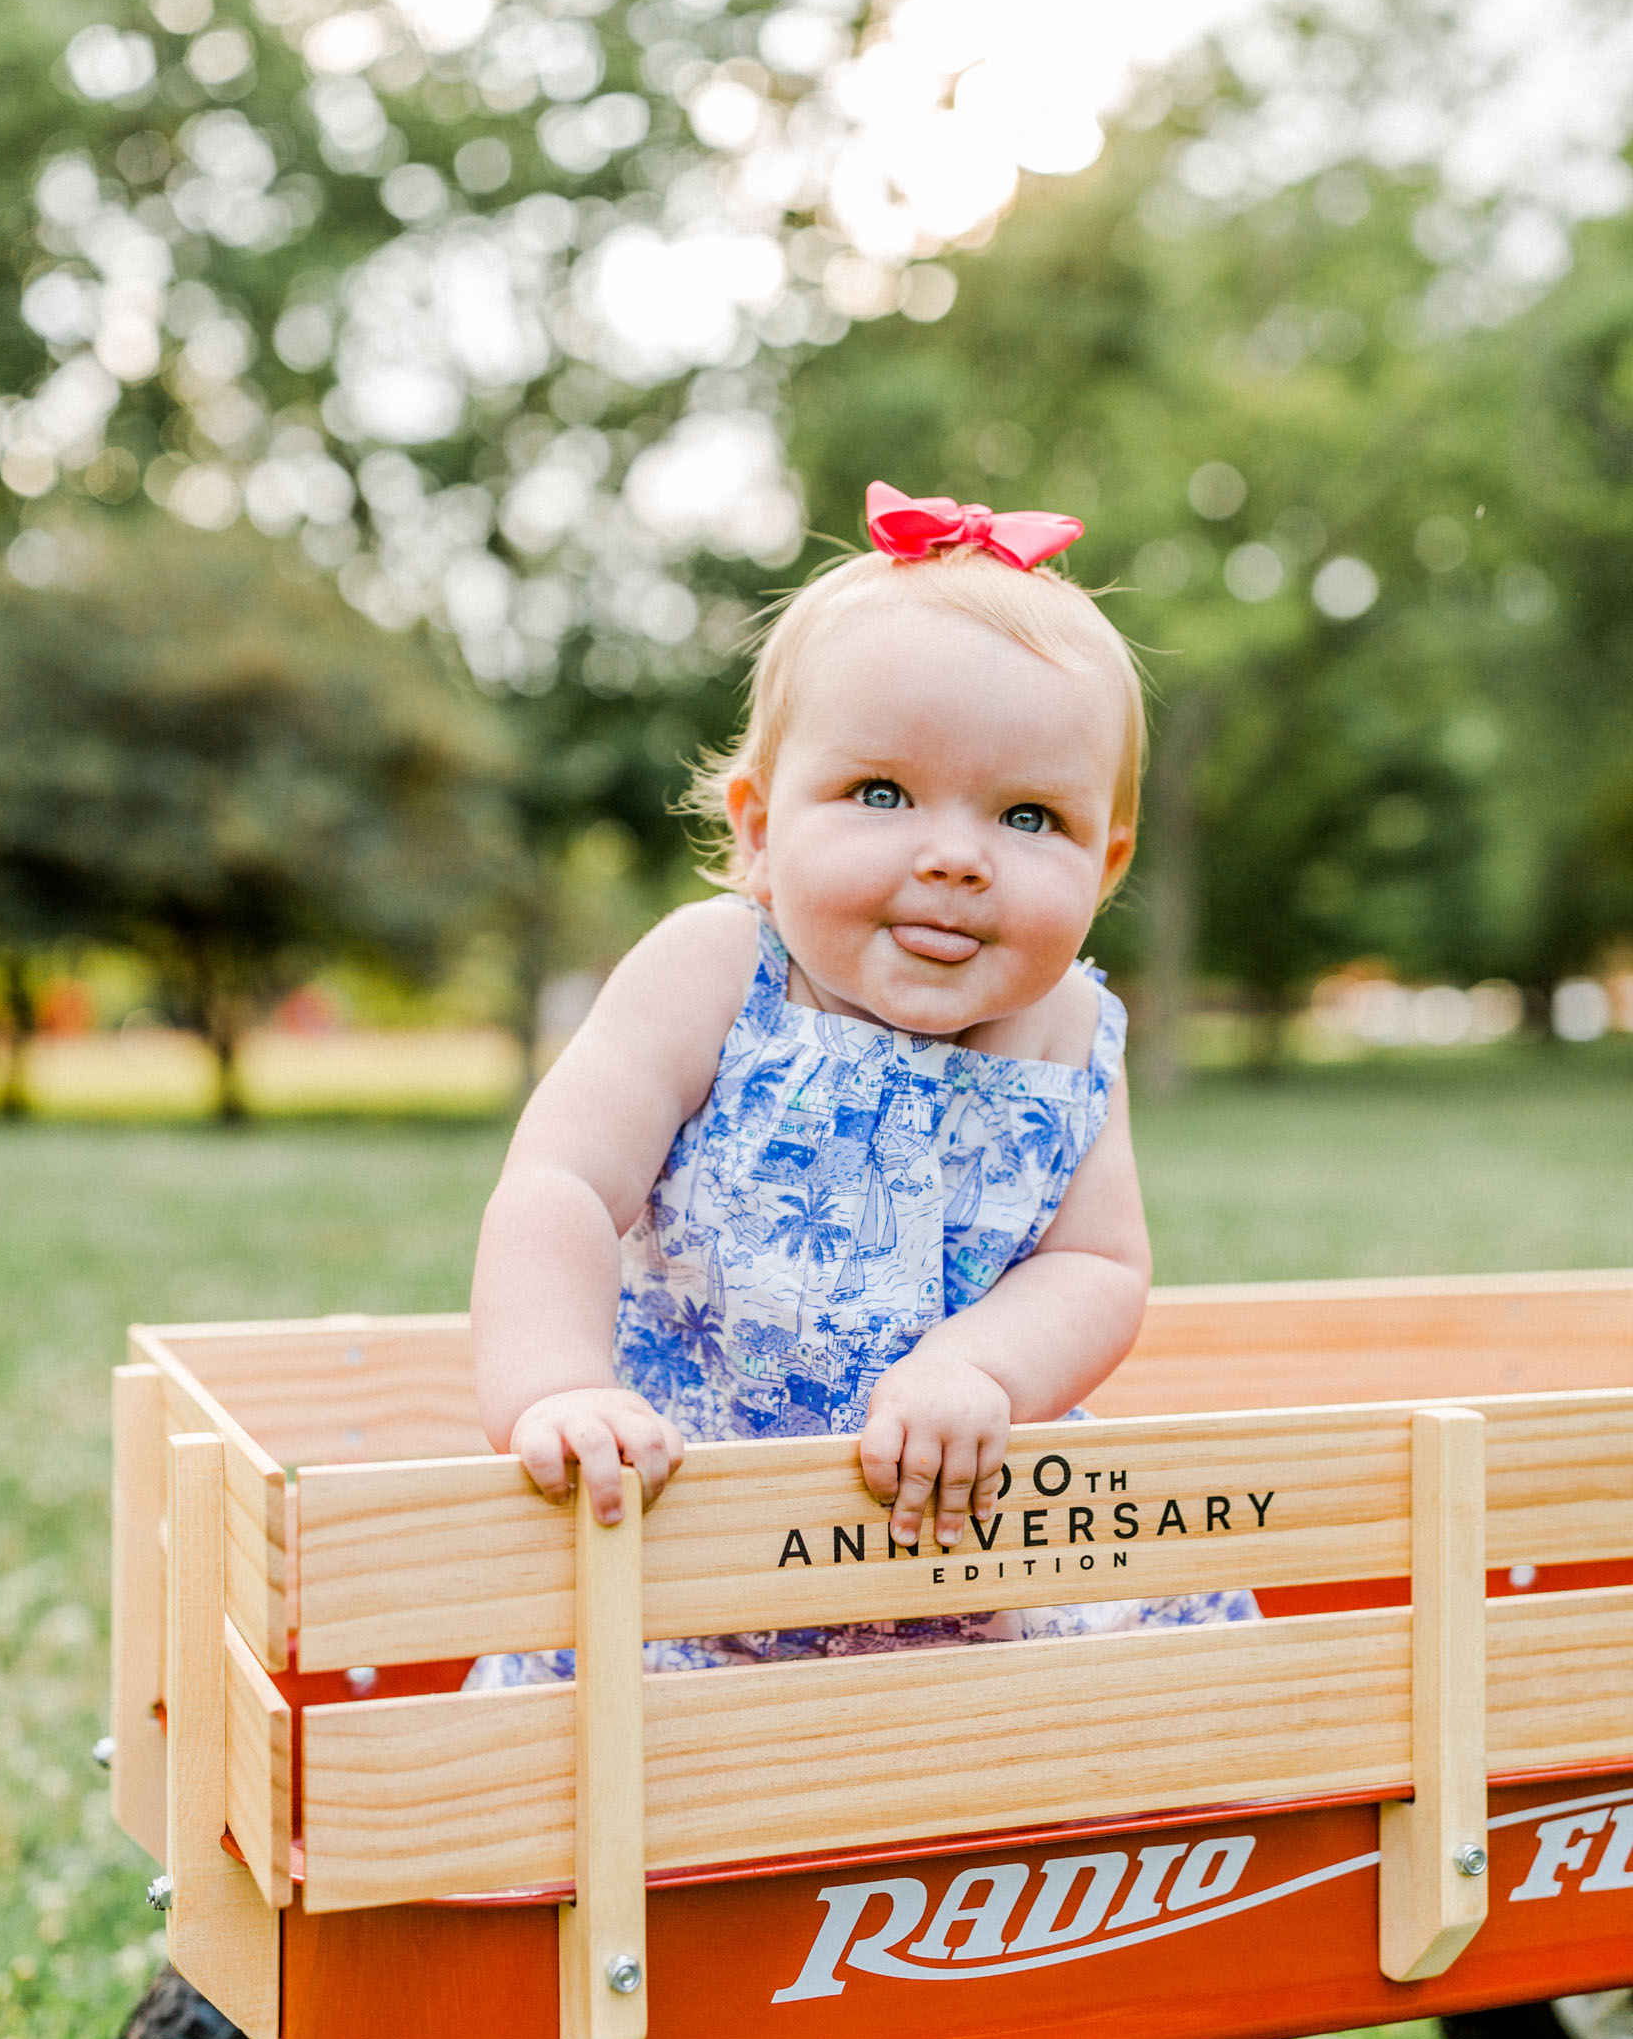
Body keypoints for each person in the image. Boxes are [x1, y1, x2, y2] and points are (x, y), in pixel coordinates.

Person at [467, 481, 1256, 1683]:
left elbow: (1097, 1265)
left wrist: (976, 1367)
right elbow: (561, 1184)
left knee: (1178, 1690)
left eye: (1029, 815)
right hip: (688, 1549)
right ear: (762, 825)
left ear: (1107, 863)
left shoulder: (1073, 1027)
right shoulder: (721, 970)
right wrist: (559, 1389)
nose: (953, 854)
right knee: (620, 1772)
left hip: (968, 1556)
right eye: (881, 794)